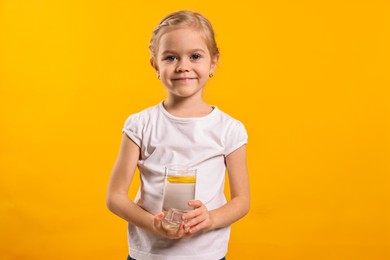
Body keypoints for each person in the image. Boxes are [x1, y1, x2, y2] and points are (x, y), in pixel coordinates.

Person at [106, 10, 250, 260]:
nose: (184, 66)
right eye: (171, 57)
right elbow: (115, 197)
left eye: (195, 56)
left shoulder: (229, 129)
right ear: (155, 65)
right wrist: (153, 224)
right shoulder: (140, 125)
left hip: (207, 255)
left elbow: (242, 200)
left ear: (213, 62)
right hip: (149, 254)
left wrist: (211, 218)